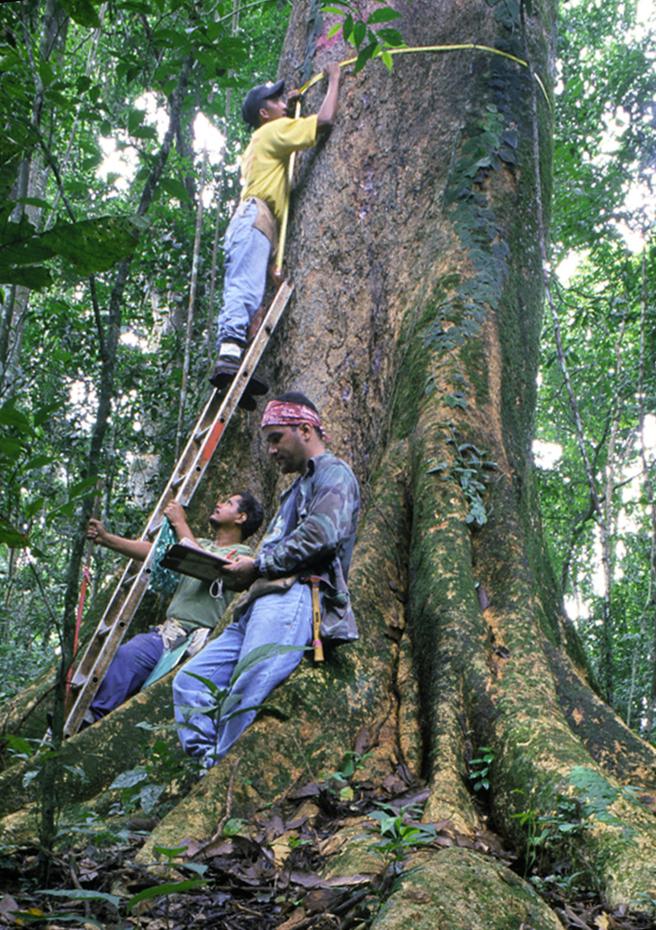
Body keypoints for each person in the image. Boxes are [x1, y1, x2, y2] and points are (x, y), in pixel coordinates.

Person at [173, 391, 360, 768]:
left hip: (295, 594)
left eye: (276, 438)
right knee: (189, 681)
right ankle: (206, 767)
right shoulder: (294, 489)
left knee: (250, 679)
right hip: (256, 602)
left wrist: (257, 566)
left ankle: (222, 773)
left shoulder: (333, 473)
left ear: (305, 429)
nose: (271, 451)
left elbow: (322, 535)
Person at [210, 63, 342, 399]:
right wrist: (335, 79)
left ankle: (233, 364)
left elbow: (287, 121)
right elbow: (325, 121)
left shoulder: (263, 136)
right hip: (255, 218)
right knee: (245, 288)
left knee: (251, 291)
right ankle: (227, 357)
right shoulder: (270, 132)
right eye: (276, 100)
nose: (283, 102)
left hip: (257, 221)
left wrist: (291, 103)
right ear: (263, 113)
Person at [84, 492, 264, 721]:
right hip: (169, 633)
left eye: (228, 503)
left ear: (241, 518)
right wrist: (106, 539)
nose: (218, 504)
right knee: (129, 656)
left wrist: (180, 523)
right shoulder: (202, 544)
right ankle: (92, 717)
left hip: (202, 642)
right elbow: (156, 553)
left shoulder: (243, 555)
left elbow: (203, 561)